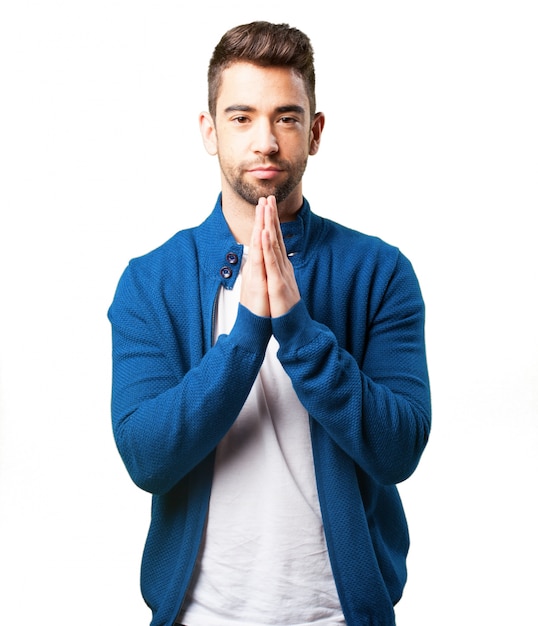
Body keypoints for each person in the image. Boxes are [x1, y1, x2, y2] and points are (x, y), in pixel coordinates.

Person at [108, 20, 431, 626]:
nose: (265, 141)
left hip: (341, 613)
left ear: (315, 131)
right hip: (198, 614)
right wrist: (248, 333)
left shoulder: (381, 272)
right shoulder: (150, 282)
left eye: (285, 117)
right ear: (209, 131)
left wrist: (300, 331)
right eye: (241, 117)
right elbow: (146, 459)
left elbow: (400, 449)